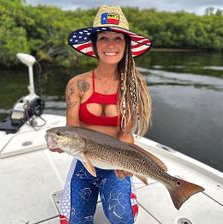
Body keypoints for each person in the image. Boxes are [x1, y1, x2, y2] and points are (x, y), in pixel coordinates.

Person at [49, 5, 152, 224]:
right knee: (75, 220)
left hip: (116, 162)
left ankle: (128, 194)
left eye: (118, 38)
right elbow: (72, 129)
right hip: (83, 160)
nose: (111, 45)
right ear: (95, 45)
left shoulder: (132, 87)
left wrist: (126, 166)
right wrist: (60, 144)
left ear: (127, 45)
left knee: (122, 217)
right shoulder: (76, 85)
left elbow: (125, 134)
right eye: (103, 38)